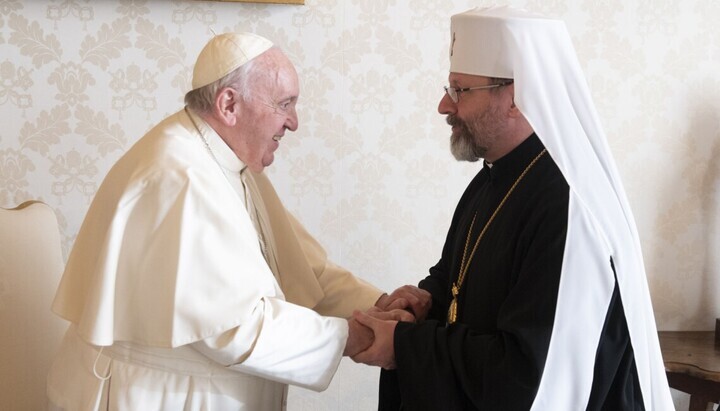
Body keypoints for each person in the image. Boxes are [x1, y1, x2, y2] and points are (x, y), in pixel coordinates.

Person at [46, 32, 417, 410]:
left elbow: (301, 269)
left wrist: (377, 304)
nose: (294, 122)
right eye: (284, 104)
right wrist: (354, 336)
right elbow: (233, 327)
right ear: (229, 104)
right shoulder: (181, 177)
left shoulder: (228, 163)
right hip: (160, 395)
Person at [352, 6, 674, 410]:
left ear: (519, 98)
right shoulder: (491, 180)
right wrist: (423, 303)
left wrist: (404, 347)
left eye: (460, 90)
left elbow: (530, 375)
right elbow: (457, 281)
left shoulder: (569, 210)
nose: (444, 106)